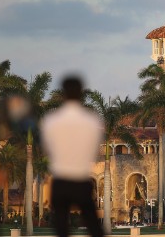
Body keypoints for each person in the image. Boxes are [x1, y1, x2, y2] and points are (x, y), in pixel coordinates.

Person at [41, 77, 104, 237]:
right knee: (94, 228)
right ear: (81, 93)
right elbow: (94, 149)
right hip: (81, 180)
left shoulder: (51, 121)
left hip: (61, 180)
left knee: (62, 229)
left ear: (63, 93)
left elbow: (48, 150)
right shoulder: (91, 121)